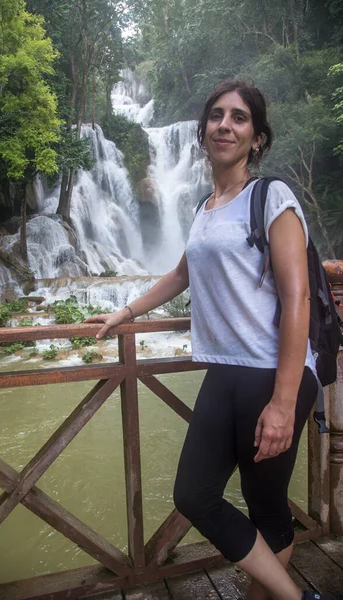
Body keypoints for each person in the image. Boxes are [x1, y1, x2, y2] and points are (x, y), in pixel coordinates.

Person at [84, 80, 328, 600]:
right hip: (224, 371)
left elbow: (298, 297)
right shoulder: (204, 207)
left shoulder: (271, 196)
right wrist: (124, 312)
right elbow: (180, 275)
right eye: (216, 116)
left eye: (239, 118)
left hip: (273, 374)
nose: (225, 125)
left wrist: (284, 403)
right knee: (194, 494)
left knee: (266, 508)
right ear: (203, 132)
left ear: (257, 138)